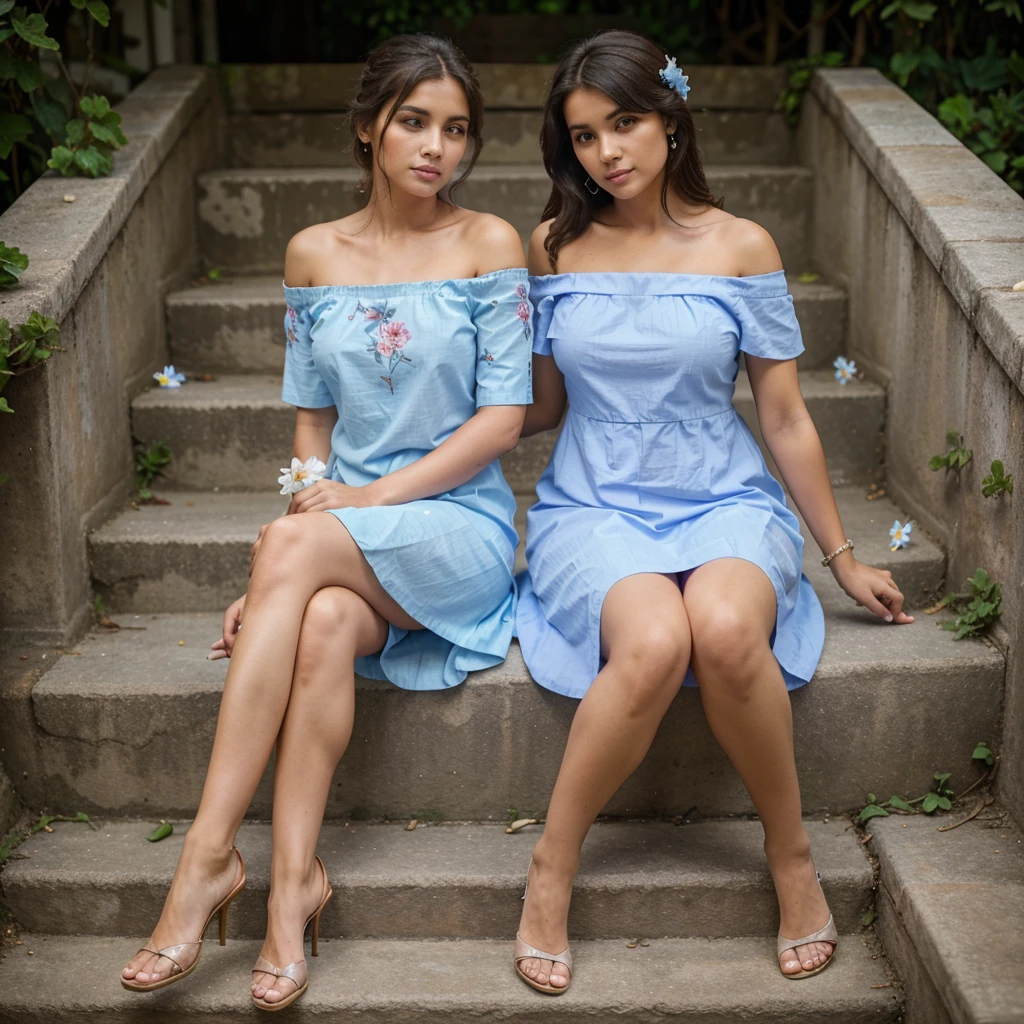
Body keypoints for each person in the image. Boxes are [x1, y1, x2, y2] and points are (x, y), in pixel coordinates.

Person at [119, 33, 532, 1011]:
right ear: (367, 127)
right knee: (313, 623)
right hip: (343, 533)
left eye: (457, 129)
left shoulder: (488, 244)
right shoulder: (313, 252)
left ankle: (206, 859)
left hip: (458, 527)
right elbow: (311, 421)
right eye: (415, 122)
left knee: (295, 563)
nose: (438, 147)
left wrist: (356, 508)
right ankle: (293, 885)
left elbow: (505, 418)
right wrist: (287, 560)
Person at [513, 29, 913, 995]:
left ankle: (791, 858)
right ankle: (549, 870)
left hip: (724, 495)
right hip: (593, 505)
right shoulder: (552, 245)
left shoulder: (742, 245)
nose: (608, 152)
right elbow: (543, 406)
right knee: (651, 640)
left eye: (625, 122)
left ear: (670, 117)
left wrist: (844, 554)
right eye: (583, 137)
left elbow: (782, 415)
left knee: (726, 628)